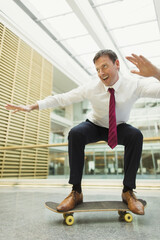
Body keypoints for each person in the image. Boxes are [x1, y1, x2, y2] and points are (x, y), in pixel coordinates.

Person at [5, 50, 160, 215]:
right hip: (95, 124)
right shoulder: (92, 87)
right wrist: (32, 106)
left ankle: (128, 191)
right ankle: (76, 192)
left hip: (119, 126)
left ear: (117, 64)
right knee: (76, 133)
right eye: (97, 69)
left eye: (104, 66)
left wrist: (156, 73)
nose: (101, 73)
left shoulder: (134, 84)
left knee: (136, 136)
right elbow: (63, 98)